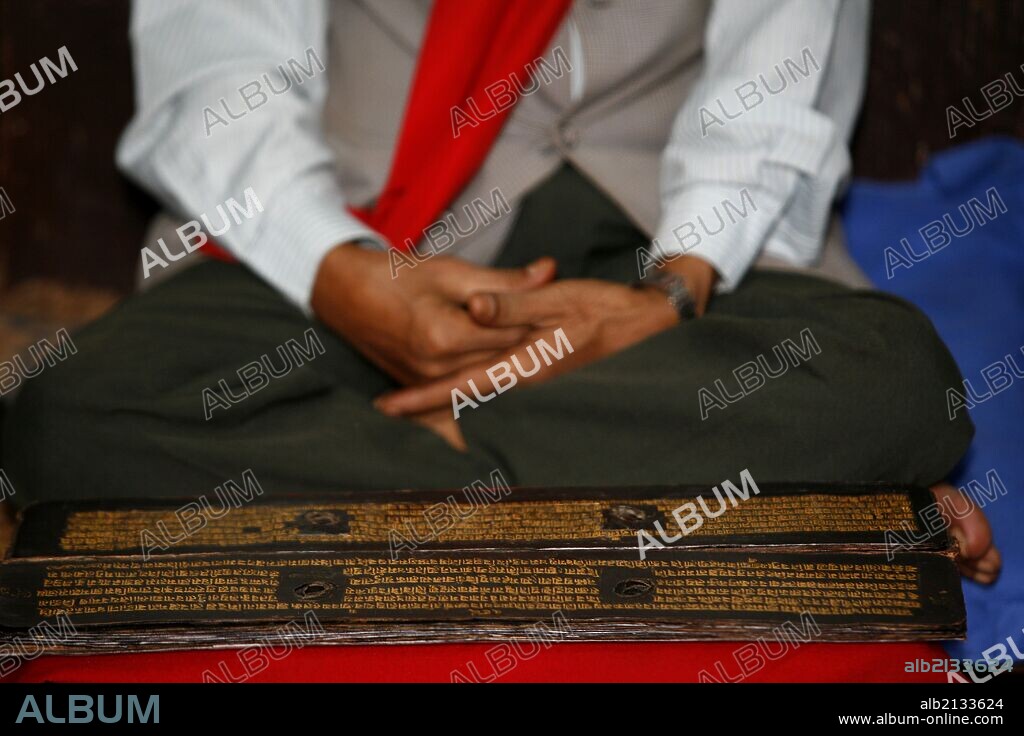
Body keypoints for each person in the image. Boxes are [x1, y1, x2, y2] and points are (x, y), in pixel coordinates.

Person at [2, 0, 999, 582]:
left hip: (682, 246)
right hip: (372, 234)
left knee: (899, 381)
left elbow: (782, 69)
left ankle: (360, 466)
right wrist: (339, 272)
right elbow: (219, 58)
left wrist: (672, 294)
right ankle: (772, 500)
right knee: (55, 413)